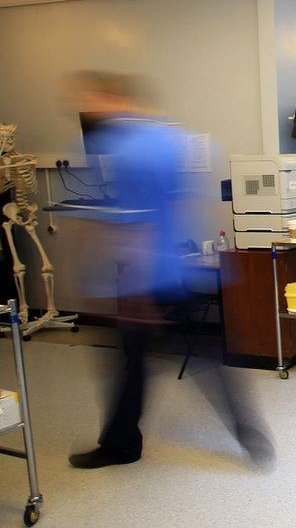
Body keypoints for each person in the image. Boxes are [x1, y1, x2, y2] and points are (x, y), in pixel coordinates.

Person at [62, 71, 273, 468]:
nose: (85, 110)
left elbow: (138, 223)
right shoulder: (168, 140)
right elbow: (175, 205)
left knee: (133, 360)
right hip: (173, 267)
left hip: (146, 275)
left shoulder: (125, 150)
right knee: (193, 359)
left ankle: (121, 445)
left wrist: (134, 289)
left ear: (109, 99)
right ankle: (249, 432)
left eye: (89, 100)